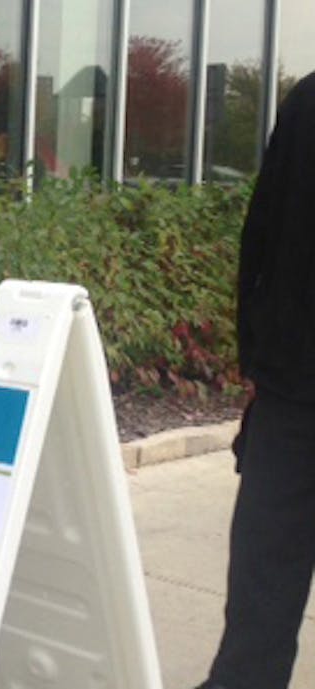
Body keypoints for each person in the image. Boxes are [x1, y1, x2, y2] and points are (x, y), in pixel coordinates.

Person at [197, 72, 315, 689]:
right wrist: (256, 363)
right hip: (293, 391)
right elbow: (263, 236)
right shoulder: (309, 101)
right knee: (262, 580)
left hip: (290, 386)